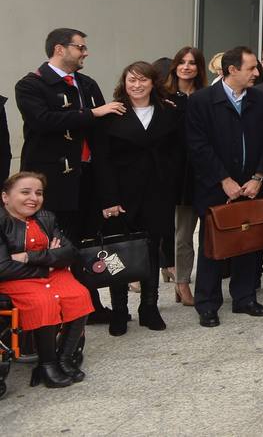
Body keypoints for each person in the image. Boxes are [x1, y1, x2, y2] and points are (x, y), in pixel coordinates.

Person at [15, 28, 124, 323]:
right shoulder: (30, 85)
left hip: (87, 177)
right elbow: (43, 121)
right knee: (58, 246)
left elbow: (100, 138)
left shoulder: (86, 84)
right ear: (60, 49)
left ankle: (91, 305)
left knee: (88, 244)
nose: (85, 52)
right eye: (81, 47)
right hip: (55, 182)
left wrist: (108, 189)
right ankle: (59, 308)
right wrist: (92, 114)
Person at [183, 46, 263, 327]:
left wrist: (258, 177)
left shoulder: (259, 100)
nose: (257, 73)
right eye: (251, 68)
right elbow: (197, 146)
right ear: (232, 70)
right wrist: (223, 179)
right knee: (213, 245)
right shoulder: (201, 101)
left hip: (251, 187)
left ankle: (245, 297)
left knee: (248, 242)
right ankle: (208, 303)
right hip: (215, 187)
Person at [89, 61, 183, 335]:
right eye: (132, 80)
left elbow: (177, 154)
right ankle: (119, 310)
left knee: (151, 251)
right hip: (120, 197)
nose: (137, 85)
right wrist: (108, 199)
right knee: (118, 253)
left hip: (158, 194)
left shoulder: (168, 112)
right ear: (124, 83)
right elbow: (102, 162)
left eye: (143, 80)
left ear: (153, 83)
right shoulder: (112, 114)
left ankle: (149, 308)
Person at [0, 172, 93, 388]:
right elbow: (3, 267)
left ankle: (64, 357)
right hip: (16, 280)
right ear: (5, 197)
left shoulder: (46, 218)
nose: (34, 198)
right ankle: (47, 365)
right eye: (25, 192)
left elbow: (69, 252)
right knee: (44, 302)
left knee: (79, 296)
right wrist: (47, 264)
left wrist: (29, 257)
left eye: (39, 193)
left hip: (52, 273)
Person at [162, 46, 205, 306]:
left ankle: (200, 281)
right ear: (175, 66)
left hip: (202, 171)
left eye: (192, 63)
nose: (187, 67)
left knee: (208, 233)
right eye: (182, 62)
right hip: (175, 174)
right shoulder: (164, 97)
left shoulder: (206, 96)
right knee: (183, 234)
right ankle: (182, 283)